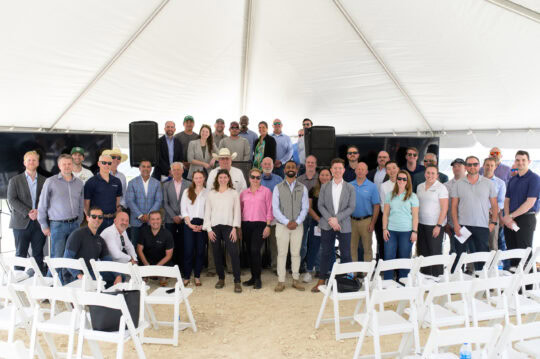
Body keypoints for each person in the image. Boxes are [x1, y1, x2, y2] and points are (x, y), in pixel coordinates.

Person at [313, 158, 356, 292]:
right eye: (335, 168)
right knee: (326, 252)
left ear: (343, 170)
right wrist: (331, 220)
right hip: (327, 224)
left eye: (340, 168)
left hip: (344, 225)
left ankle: (347, 282)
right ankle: (321, 280)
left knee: (346, 254)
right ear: (331, 170)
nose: (337, 170)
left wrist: (336, 219)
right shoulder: (325, 186)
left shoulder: (350, 187)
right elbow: (320, 205)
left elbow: (351, 207)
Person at [451, 156, 498, 270]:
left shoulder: (488, 183)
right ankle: (456, 285)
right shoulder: (458, 183)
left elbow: (495, 205)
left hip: (481, 226)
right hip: (463, 226)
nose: (472, 167)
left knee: (481, 258)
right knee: (459, 256)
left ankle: (481, 285)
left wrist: (493, 223)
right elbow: (453, 206)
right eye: (469, 164)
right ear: (466, 166)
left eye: (475, 164)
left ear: (479, 165)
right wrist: (456, 225)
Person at [38, 154, 84, 261]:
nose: (67, 166)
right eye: (64, 164)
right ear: (59, 166)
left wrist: (79, 220)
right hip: (58, 226)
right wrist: (44, 225)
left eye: (69, 164)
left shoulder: (79, 183)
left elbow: (81, 204)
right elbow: (42, 204)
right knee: (57, 257)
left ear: (72, 165)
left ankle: (68, 278)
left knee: (73, 256)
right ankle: (52, 278)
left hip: (75, 225)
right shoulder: (50, 181)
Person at [203, 169, 242, 293]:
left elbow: (237, 212)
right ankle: (221, 278)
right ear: (217, 179)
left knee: (233, 253)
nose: (223, 179)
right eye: (221, 177)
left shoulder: (234, 193)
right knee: (216, 253)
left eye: (225, 177)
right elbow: (207, 212)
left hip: (229, 227)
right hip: (214, 228)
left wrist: (235, 228)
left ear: (229, 179)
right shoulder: (211, 193)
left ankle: (237, 281)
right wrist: (208, 229)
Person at [272, 161, 308, 292]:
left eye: (293, 167)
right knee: (281, 254)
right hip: (282, 226)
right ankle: (281, 281)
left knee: (295, 253)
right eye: (288, 167)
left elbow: (305, 208)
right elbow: (275, 209)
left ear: (297, 170)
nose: (291, 169)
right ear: (284, 170)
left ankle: (295, 280)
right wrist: (287, 222)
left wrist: (297, 222)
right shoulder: (278, 187)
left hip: (298, 226)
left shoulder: (302, 188)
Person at [7, 151, 46, 273]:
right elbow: (12, 199)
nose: (31, 162)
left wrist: (39, 212)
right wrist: (29, 212)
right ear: (24, 162)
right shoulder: (15, 180)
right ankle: (18, 284)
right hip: (20, 223)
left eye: (34, 160)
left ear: (38, 162)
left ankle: (39, 283)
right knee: (20, 254)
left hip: (39, 223)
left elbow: (48, 200)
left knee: (38, 254)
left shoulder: (45, 181)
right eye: (29, 160)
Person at [63, 206, 122, 287]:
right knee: (95, 278)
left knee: (120, 276)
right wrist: (80, 276)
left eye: (100, 217)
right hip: (73, 276)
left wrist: (117, 275)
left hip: (90, 273)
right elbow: (67, 260)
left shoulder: (100, 240)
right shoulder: (77, 234)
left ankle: (105, 295)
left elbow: (108, 261)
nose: (97, 219)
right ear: (87, 218)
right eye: (94, 216)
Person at [502, 150, 540, 267]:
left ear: (529, 161)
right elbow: (507, 200)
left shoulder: (534, 178)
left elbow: (530, 202)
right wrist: (507, 217)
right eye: (518, 160)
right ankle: (514, 284)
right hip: (510, 221)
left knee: (524, 252)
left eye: (523, 160)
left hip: (525, 219)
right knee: (512, 252)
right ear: (515, 162)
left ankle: (527, 285)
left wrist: (511, 216)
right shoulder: (512, 180)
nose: (520, 162)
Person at [382, 170, 419, 280]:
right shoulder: (390, 195)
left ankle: (403, 281)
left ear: (408, 181)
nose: (401, 181)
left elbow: (415, 216)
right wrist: (384, 229)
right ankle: (387, 281)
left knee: (404, 258)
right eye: (399, 178)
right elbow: (385, 214)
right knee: (389, 257)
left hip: (406, 232)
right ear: (396, 180)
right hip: (391, 231)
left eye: (404, 179)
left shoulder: (413, 196)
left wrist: (414, 232)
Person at [240, 168, 273, 289]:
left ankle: (258, 278)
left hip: (260, 224)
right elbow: (240, 210)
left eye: (258, 177)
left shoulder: (266, 192)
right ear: (249, 178)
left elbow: (270, 209)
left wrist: (268, 226)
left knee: (255, 250)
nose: (255, 179)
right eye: (253, 177)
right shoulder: (243, 193)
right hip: (246, 224)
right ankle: (253, 277)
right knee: (249, 251)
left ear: (261, 179)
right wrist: (239, 228)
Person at [416, 165, 448, 276]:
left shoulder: (441, 188)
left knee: (434, 252)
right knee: (423, 252)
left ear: (437, 175)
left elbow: (444, 209)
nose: (430, 175)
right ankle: (425, 277)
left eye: (433, 173)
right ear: (425, 174)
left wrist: (438, 226)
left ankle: (437, 278)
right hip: (421, 224)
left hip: (434, 225)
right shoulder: (420, 186)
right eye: (428, 173)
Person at [163, 162, 192, 273]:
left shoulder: (189, 184)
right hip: (170, 220)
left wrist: (181, 216)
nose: (176, 172)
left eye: (178, 169)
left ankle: (184, 268)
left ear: (182, 171)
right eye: (174, 170)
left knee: (184, 244)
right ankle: (171, 268)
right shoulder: (165, 185)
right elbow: (165, 203)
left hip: (185, 219)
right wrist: (174, 216)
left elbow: (190, 202)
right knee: (171, 244)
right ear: (171, 171)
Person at [126, 160, 162, 247]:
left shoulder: (157, 183)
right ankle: (135, 261)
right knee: (134, 245)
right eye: (143, 166)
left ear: (151, 169)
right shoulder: (132, 182)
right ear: (139, 168)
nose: (146, 169)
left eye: (148, 167)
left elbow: (159, 200)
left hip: (152, 221)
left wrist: (149, 215)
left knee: (151, 246)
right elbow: (130, 201)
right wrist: (140, 215)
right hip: (136, 220)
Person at [181, 170, 208, 286]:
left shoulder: (208, 193)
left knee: (200, 251)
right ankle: (186, 276)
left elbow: (209, 211)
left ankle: (197, 276)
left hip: (202, 224)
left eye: (200, 177)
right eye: (196, 178)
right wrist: (190, 224)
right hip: (189, 224)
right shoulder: (187, 191)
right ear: (193, 179)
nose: (198, 180)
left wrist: (203, 225)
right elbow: (183, 210)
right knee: (188, 250)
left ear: (204, 179)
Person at [306, 168, 332, 289]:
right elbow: (309, 208)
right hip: (316, 223)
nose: (325, 177)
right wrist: (318, 220)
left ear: (331, 177)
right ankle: (309, 270)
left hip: (330, 223)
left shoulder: (334, 190)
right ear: (319, 176)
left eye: (327, 175)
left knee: (329, 247)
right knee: (313, 246)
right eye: (322, 175)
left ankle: (330, 271)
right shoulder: (313, 190)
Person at [350, 162, 380, 263]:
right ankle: (352, 274)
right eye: (358, 169)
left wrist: (372, 223)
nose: (360, 171)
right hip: (351, 221)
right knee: (352, 248)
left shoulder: (372, 187)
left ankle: (366, 273)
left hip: (366, 221)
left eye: (363, 169)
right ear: (355, 170)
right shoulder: (349, 186)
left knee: (367, 248)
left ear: (367, 172)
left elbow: (376, 206)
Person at [84, 154, 122, 233]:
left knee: (111, 245)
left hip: (112, 220)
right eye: (104, 162)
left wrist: (117, 216)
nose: (106, 165)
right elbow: (86, 204)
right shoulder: (91, 182)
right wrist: (90, 219)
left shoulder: (117, 181)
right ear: (99, 164)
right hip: (97, 220)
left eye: (109, 163)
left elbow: (118, 202)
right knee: (97, 244)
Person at [137, 211, 174, 286]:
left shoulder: (167, 234)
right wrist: (146, 265)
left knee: (167, 268)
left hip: (162, 262)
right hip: (147, 261)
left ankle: (160, 275)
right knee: (140, 282)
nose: (155, 221)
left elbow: (168, 255)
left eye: (157, 219)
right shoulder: (143, 231)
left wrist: (156, 268)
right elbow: (139, 250)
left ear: (161, 220)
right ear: (149, 221)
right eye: (153, 219)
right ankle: (147, 274)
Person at [260, 157, 283, 273]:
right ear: (261, 165)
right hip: (260, 217)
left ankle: (275, 267)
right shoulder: (256, 178)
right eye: (265, 164)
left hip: (275, 217)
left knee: (275, 244)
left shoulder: (279, 179)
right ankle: (257, 266)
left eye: (269, 164)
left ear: (273, 165)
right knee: (260, 245)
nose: (267, 166)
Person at [297, 154, 318, 274]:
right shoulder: (299, 180)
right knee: (302, 242)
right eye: (308, 162)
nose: (310, 164)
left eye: (312, 162)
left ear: (315, 165)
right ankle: (300, 265)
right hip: (302, 216)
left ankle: (314, 264)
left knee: (315, 242)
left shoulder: (320, 178)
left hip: (316, 216)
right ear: (305, 164)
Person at [444, 158, 467, 270]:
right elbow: (445, 207)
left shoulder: (471, 184)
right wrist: (446, 223)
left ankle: (463, 275)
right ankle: (453, 275)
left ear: (465, 168)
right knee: (454, 250)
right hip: (453, 224)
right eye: (454, 166)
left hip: (469, 224)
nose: (456, 168)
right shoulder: (446, 186)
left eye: (459, 166)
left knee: (465, 251)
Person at [377, 160, 400, 261]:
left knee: (402, 249)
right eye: (389, 169)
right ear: (386, 171)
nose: (392, 171)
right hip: (389, 221)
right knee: (389, 248)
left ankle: (400, 274)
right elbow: (382, 205)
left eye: (394, 168)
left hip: (403, 222)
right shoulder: (383, 186)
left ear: (398, 169)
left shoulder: (406, 183)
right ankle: (388, 272)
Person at [483, 157, 506, 251]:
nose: (489, 167)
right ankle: (476, 265)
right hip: (476, 216)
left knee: (492, 242)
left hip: (492, 216)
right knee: (476, 242)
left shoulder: (500, 183)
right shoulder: (476, 181)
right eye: (487, 165)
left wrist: (494, 209)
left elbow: (501, 202)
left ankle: (493, 265)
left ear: (495, 167)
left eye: (492, 165)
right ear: (483, 166)